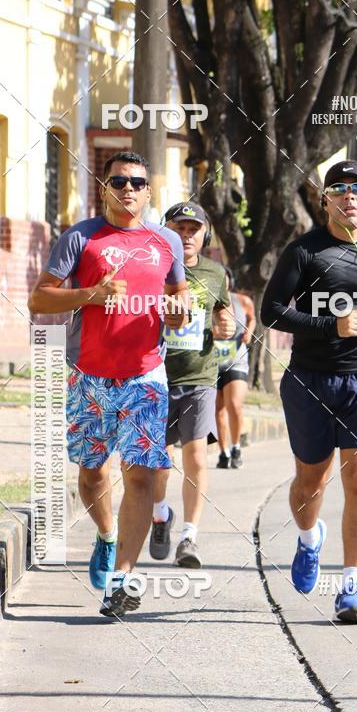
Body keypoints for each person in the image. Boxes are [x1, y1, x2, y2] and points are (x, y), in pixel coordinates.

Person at [28, 151, 188, 617]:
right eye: (119, 180)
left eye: (138, 182)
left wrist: (180, 311)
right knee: (93, 472)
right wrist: (92, 295)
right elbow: (41, 297)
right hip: (88, 374)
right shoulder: (80, 238)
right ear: (105, 186)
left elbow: (179, 294)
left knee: (140, 474)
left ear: (149, 190)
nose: (129, 189)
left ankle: (123, 579)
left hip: (146, 373)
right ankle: (105, 534)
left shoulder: (167, 243)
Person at [261, 159, 357, 625]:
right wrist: (330, 325)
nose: (349, 197)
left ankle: (352, 588)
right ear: (325, 201)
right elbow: (272, 312)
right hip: (310, 380)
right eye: (338, 189)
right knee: (310, 483)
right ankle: (308, 538)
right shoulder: (304, 252)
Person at [148, 202, 235, 568]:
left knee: (196, 454)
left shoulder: (216, 273)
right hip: (155, 375)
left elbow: (223, 311)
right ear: (165, 231)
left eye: (193, 229)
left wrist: (226, 323)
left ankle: (189, 536)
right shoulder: (152, 269)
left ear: (205, 235)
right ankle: (160, 514)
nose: (186, 235)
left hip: (199, 376)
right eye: (179, 228)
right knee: (158, 462)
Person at [215, 268, 256, 469]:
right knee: (218, 409)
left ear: (230, 280)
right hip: (212, 361)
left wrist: (249, 332)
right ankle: (223, 452)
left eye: (225, 279)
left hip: (236, 358)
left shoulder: (242, 301)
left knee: (234, 404)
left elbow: (252, 317)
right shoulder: (206, 301)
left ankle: (236, 446)